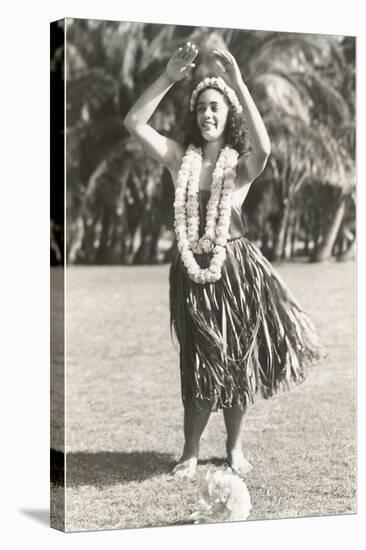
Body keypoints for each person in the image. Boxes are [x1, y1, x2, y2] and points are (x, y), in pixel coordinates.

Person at [124, 42, 319, 479]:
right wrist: (170, 77)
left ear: (229, 115)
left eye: (216, 107)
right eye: (201, 109)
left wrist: (239, 85)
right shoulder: (180, 160)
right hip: (192, 272)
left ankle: (234, 447)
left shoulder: (240, 168)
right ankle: (190, 449)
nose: (207, 114)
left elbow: (265, 148)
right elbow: (134, 123)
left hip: (235, 272)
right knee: (196, 360)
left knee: (237, 358)